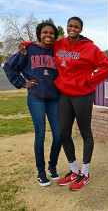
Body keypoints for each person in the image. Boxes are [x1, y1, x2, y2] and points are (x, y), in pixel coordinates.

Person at [21, 16, 108, 191]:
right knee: (63, 133)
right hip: (64, 94)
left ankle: (84, 174)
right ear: (67, 27)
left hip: (83, 95)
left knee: (86, 133)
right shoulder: (59, 44)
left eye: (76, 27)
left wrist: (90, 81)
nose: (73, 29)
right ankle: (73, 171)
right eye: (70, 26)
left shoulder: (90, 48)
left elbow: (107, 65)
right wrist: (26, 45)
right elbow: (43, 44)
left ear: (80, 29)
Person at [5, 22, 62, 187]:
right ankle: (41, 173)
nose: (48, 35)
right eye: (45, 32)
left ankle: (52, 166)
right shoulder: (28, 50)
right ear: (39, 34)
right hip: (36, 97)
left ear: (55, 35)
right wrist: (22, 83)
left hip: (54, 97)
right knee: (40, 134)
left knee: (59, 135)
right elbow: (10, 66)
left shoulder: (57, 51)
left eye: (51, 33)